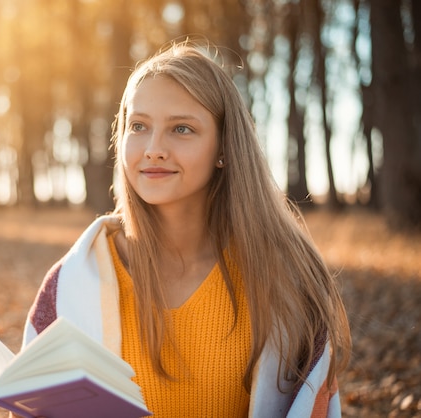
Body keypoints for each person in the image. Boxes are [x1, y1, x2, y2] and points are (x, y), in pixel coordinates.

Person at [21, 40, 351, 417]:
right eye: (139, 126)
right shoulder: (72, 283)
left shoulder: (284, 281)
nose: (154, 148)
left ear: (224, 147)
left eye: (181, 128)